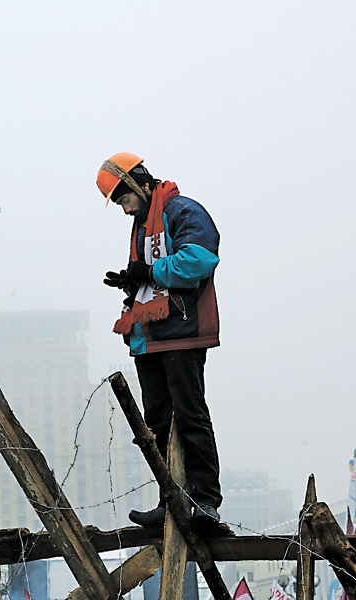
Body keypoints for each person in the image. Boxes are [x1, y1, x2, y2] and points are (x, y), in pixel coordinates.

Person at [96, 152, 222, 527]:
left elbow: (199, 260)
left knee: (190, 416)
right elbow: (154, 275)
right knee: (158, 426)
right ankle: (172, 501)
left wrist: (148, 270)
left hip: (182, 332)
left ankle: (206, 502)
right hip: (152, 337)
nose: (123, 208)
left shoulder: (182, 211)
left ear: (137, 183)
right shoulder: (141, 224)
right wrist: (132, 282)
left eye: (123, 198)